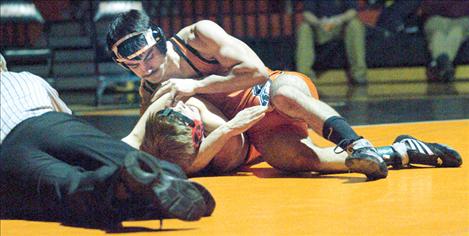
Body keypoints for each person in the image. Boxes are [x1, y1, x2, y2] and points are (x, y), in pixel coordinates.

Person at [106, 10, 390, 180]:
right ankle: (394, 154)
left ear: (160, 39)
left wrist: (196, 86)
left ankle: (356, 143)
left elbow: (258, 73)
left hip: (269, 92)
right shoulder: (152, 93)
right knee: (294, 162)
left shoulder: (198, 38)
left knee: (286, 96)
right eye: (133, 65)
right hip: (252, 130)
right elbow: (146, 143)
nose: (144, 68)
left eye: (148, 56)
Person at [0, 53, 214, 226]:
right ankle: (167, 175)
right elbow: (66, 116)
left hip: (7, 154)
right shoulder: (25, 78)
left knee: (68, 187)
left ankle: (121, 187)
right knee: (118, 154)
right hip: (49, 123)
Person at [121, 78, 462, 176]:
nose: (182, 105)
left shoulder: (184, 107)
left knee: (288, 99)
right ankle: (401, 151)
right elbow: (188, 165)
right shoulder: (176, 155)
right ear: (195, 135)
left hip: (261, 108)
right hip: (253, 139)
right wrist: (227, 130)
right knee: (308, 163)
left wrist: (228, 126)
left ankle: (355, 140)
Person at [295, 0, 368, 85]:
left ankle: (359, 74)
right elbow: (307, 14)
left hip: (341, 26)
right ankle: (305, 77)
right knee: (304, 28)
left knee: (355, 25)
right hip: (320, 27)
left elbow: (353, 11)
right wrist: (319, 23)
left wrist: (338, 20)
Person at [421, 0, 469, 82]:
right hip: (437, 18)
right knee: (437, 34)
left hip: (462, 19)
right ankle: (445, 65)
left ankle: (440, 63)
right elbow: (428, 6)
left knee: (456, 32)